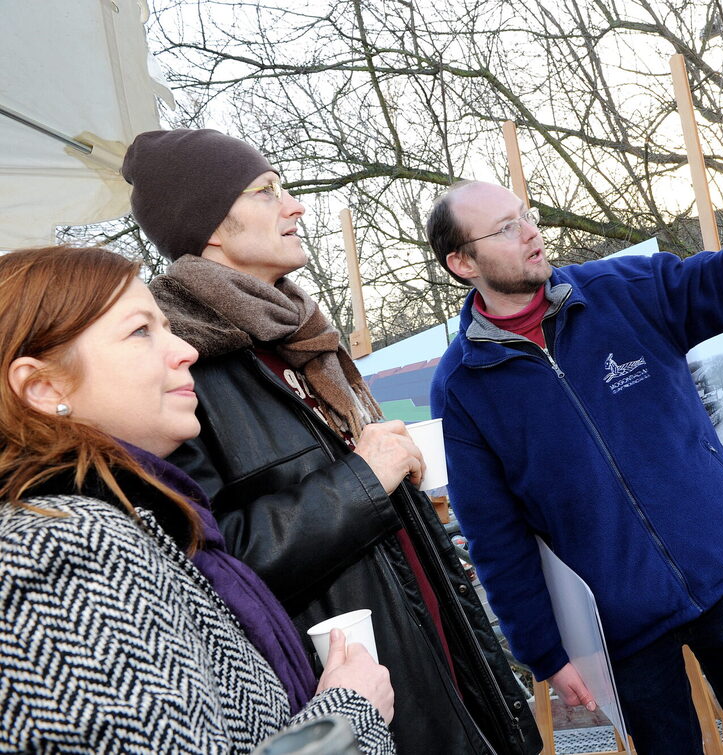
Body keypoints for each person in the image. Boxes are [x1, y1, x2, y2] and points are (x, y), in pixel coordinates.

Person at [121, 129, 541, 755]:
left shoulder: (299, 339)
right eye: (267, 192)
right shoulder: (178, 373)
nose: (295, 206)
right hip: (349, 711)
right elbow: (207, 565)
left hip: (439, 676)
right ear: (208, 224)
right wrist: (364, 479)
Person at [428, 101, 723, 753]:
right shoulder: (464, 386)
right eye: (505, 228)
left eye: (527, 216)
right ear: (463, 262)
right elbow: (495, 535)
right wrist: (545, 652)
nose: (530, 233)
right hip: (618, 628)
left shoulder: (623, 289)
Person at [0, 245, 394, 753]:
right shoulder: (63, 547)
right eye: (140, 330)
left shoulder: (125, 519)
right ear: (40, 386)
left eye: (166, 325)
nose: (186, 349)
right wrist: (348, 716)